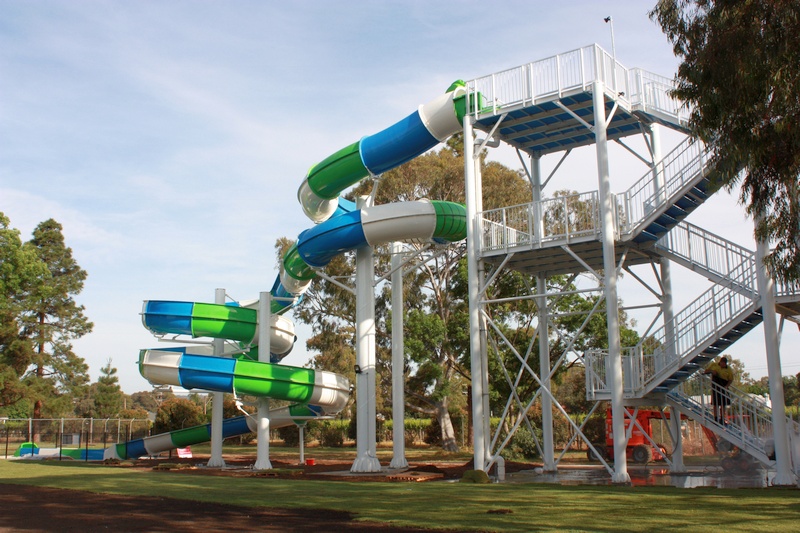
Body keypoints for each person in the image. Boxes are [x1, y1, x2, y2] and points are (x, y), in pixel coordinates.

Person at [704, 357, 734, 424]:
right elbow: (705, 371)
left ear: (726, 364)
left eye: (724, 364)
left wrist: (726, 386)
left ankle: (722, 419)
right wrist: (712, 371)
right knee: (715, 403)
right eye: (721, 363)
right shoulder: (714, 365)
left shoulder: (728, 369)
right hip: (715, 386)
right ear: (720, 362)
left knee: (723, 404)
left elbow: (730, 379)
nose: (722, 365)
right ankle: (715, 418)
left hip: (723, 385)